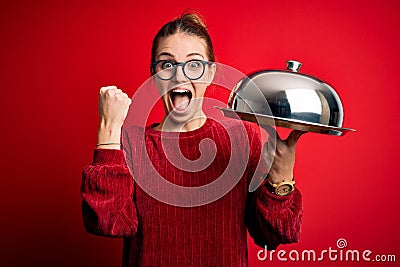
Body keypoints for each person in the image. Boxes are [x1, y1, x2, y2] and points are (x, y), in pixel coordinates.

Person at [81, 12, 304, 267]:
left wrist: (282, 177)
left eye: (194, 64)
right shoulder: (131, 144)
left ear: (210, 73)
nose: (179, 76)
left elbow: (275, 235)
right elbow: (108, 222)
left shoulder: (242, 138)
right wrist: (108, 130)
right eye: (167, 65)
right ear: (154, 75)